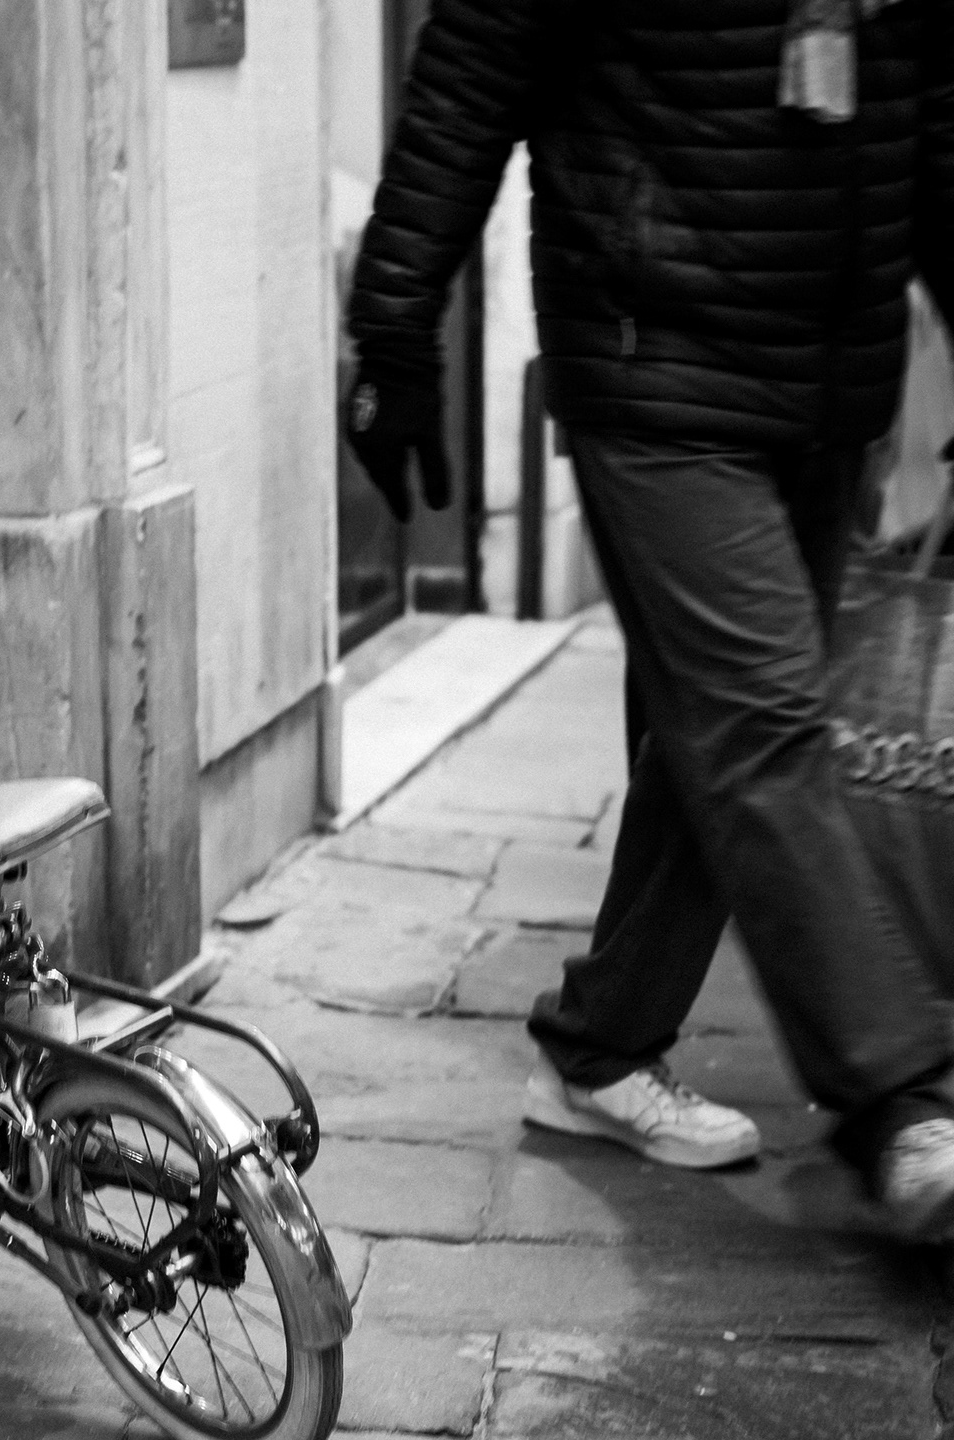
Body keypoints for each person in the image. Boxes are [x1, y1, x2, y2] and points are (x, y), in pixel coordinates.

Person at [345, 1, 954, 1236]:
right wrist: (394, 333)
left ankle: (602, 1044)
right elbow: (468, 77)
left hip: (829, 385)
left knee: (713, 733)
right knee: (764, 727)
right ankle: (902, 1103)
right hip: (653, 361)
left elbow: (933, 130)